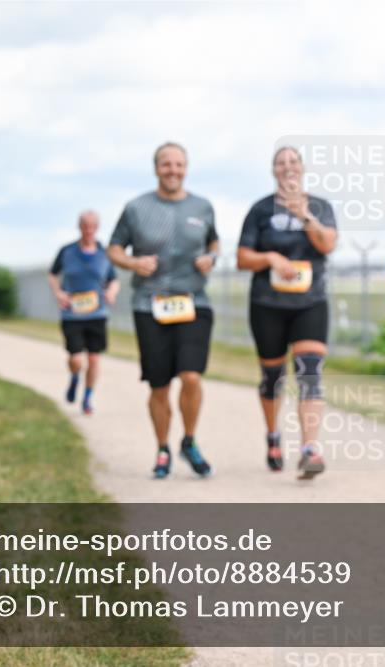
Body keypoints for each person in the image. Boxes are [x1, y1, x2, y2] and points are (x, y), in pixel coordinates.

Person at [107, 142, 219, 479]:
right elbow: (113, 249)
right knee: (158, 386)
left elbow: (214, 242)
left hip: (193, 301)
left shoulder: (203, 206)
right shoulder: (136, 208)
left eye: (179, 164)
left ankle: (189, 440)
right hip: (149, 305)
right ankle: (162, 449)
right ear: (156, 169)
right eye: (167, 165)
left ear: (186, 168)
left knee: (191, 376)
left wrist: (210, 259)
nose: (173, 170)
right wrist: (132, 261)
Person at [237, 146, 338, 479]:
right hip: (268, 304)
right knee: (272, 377)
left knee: (309, 371)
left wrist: (305, 214)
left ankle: (310, 449)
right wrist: (270, 259)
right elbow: (242, 258)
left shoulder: (320, 207)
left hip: (310, 301)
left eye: (293, 162)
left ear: (302, 168)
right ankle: (273, 436)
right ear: (274, 171)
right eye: (281, 163)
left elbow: (327, 244)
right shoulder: (260, 210)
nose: (287, 167)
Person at [48, 211, 121, 415]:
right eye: (85, 226)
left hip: (97, 314)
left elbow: (113, 280)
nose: (88, 230)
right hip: (72, 314)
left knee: (94, 359)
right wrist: (58, 293)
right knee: (76, 359)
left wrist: (111, 292)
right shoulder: (67, 251)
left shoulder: (104, 253)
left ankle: (88, 396)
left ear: (97, 227)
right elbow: (52, 275)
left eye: (92, 226)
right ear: (79, 226)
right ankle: (74, 377)